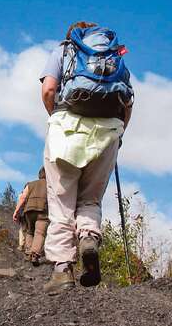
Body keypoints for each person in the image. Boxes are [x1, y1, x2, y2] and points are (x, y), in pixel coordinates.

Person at [40, 21, 133, 293]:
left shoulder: (62, 52)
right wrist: (118, 132)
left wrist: (58, 117)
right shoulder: (113, 57)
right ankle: (89, 240)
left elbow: (48, 90)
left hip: (66, 130)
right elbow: (127, 103)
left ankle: (62, 271)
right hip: (108, 134)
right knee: (90, 198)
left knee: (61, 201)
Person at [13, 167, 49, 266]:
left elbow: (23, 197)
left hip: (29, 211)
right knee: (40, 233)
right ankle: (35, 254)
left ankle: (28, 252)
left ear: (39, 174)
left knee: (30, 231)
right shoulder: (51, 185)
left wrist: (16, 211)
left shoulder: (31, 184)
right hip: (43, 210)